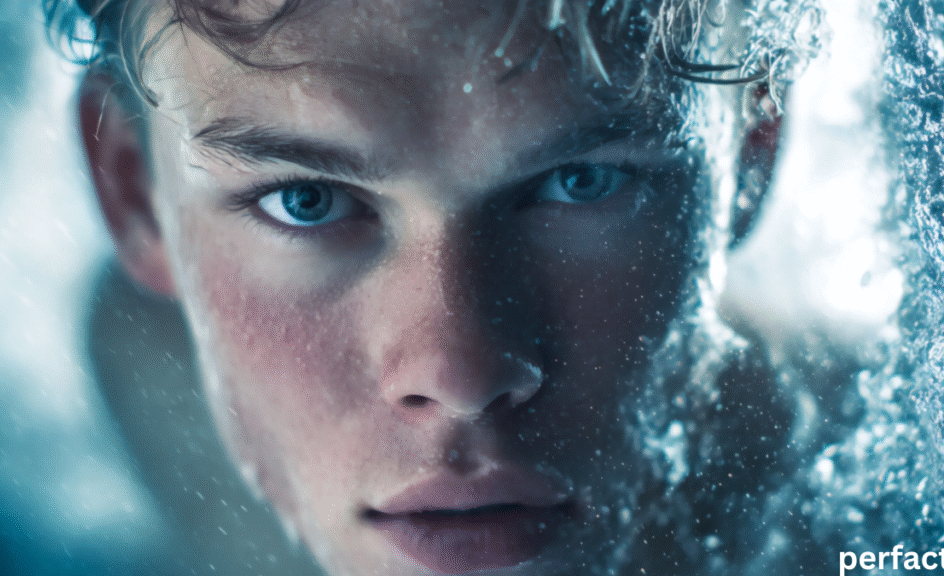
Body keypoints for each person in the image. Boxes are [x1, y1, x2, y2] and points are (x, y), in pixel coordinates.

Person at [44, 0, 826, 574]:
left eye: (582, 182)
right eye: (306, 199)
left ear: (751, 156)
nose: (459, 378)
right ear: (136, 194)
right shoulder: (144, 361)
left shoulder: (878, 515)